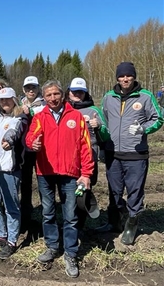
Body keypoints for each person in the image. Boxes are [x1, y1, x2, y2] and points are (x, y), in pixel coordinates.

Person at [25, 80, 94, 278]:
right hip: (45, 172)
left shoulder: (76, 116)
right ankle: (52, 246)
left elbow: (85, 146)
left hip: (70, 172)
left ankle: (71, 253)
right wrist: (33, 143)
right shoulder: (40, 116)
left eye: (56, 94)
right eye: (48, 95)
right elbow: (31, 137)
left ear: (62, 95)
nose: (53, 98)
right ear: (44, 98)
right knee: (48, 212)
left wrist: (86, 173)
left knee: (70, 215)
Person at [99, 62, 163, 245]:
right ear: (117, 78)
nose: (125, 79)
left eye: (129, 76)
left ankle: (131, 224)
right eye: (122, 76)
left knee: (135, 191)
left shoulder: (145, 96)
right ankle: (114, 222)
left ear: (134, 77)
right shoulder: (108, 97)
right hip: (113, 153)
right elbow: (103, 121)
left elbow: (158, 118)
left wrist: (143, 129)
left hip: (136, 154)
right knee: (114, 191)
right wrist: (103, 147)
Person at [0, 88, 28, 259]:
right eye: (2, 100)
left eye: (8, 99)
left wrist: (9, 140)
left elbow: (14, 133)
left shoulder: (20, 119)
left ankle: (12, 241)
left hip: (10, 169)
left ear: (14, 100)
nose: (5, 103)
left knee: (11, 206)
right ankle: (0, 236)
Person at [66, 77, 108, 231]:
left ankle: (79, 228)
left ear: (85, 93)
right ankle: (70, 225)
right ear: (68, 92)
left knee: (83, 193)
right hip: (68, 160)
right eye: (74, 91)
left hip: (89, 159)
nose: (77, 94)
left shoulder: (94, 111)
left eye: (80, 92)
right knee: (69, 194)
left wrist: (98, 127)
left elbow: (106, 135)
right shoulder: (63, 109)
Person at [19, 76, 46, 231]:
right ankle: (25, 217)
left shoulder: (44, 104)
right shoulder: (19, 103)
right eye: (28, 87)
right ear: (23, 89)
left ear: (38, 88)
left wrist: (31, 113)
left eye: (34, 87)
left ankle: (46, 217)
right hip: (24, 150)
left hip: (40, 150)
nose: (31, 90)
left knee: (43, 184)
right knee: (25, 185)